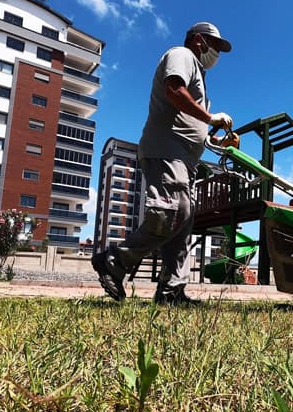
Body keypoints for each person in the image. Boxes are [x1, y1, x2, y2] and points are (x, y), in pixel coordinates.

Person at [92, 22, 233, 305]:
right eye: (215, 45)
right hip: (166, 149)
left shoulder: (201, 78)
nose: (217, 52)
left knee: (182, 226)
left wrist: (219, 143)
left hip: (185, 158)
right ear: (198, 40)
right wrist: (210, 117)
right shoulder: (181, 55)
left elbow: (195, 129)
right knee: (172, 212)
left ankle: (172, 291)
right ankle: (114, 261)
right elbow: (173, 90)